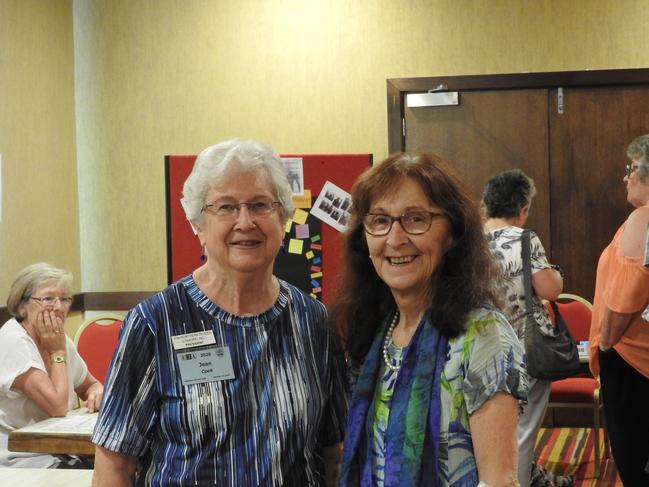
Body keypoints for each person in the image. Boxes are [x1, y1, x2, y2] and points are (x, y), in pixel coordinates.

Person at [92, 139, 348, 487]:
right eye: (225, 207)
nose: (245, 222)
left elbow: (332, 453)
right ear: (198, 224)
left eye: (260, 205)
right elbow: (114, 466)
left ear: (284, 217)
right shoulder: (155, 322)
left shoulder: (313, 321)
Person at [334, 151, 527, 487]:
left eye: (415, 219)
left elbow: (499, 481)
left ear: (451, 234)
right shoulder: (377, 330)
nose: (395, 239)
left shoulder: (483, 335)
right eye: (380, 221)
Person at [482, 169, 565, 487]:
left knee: (487, 432)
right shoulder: (524, 239)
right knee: (522, 432)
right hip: (525, 350)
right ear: (522, 208)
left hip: (481, 350)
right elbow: (549, 289)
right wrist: (556, 272)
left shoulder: (468, 242)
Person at [588, 134, 649, 487]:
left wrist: (607, 342)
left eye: (632, 168)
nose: (625, 177)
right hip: (638, 360)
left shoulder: (643, 217)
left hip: (630, 362)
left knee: (634, 462)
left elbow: (630, 290)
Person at [0, 262, 104, 468]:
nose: (58, 307)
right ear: (22, 305)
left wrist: (97, 392)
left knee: (124, 468)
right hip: (20, 457)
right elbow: (56, 406)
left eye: (64, 299)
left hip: (59, 451)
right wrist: (57, 353)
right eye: (48, 299)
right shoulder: (12, 341)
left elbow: (90, 385)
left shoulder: (59, 339)